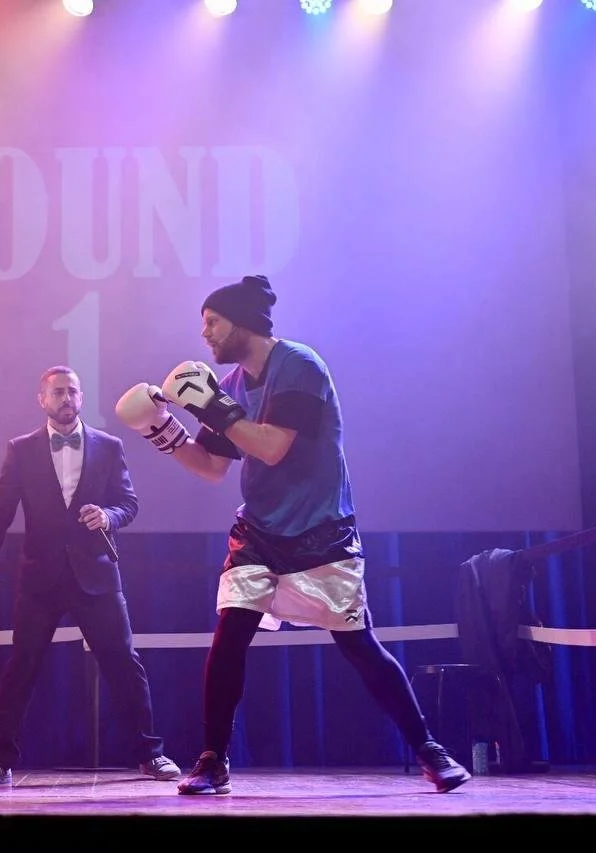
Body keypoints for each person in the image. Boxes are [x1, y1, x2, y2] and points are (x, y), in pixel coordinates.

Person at [114, 274, 472, 795]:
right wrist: (162, 431)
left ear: (242, 323)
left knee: (359, 645)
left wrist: (210, 406)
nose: (205, 334)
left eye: (213, 322)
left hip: (319, 529)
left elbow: (271, 447)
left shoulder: (300, 365)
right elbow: (211, 466)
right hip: (258, 530)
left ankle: (429, 749)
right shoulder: (231, 385)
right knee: (229, 637)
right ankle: (213, 759)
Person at [0, 365, 181, 786]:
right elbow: (0, 509)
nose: (66, 399)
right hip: (40, 575)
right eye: (58, 392)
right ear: (42, 399)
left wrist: (108, 516)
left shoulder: (109, 446)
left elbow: (128, 503)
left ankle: (150, 755)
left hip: (96, 574)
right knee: (22, 667)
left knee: (124, 663)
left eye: (73, 392)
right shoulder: (21, 449)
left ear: (81, 397)